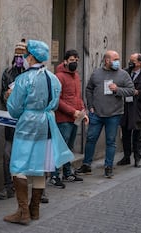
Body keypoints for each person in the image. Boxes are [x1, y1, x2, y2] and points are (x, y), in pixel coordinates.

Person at [4, 40, 74, 225]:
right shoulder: (53, 78)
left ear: (32, 57)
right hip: (47, 124)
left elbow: (14, 108)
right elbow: (55, 103)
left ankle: (23, 212)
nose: (24, 59)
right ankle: (34, 209)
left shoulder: (24, 79)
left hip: (28, 123)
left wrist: (9, 97)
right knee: (40, 167)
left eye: (26, 55)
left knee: (18, 166)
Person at [75, 50, 135, 178]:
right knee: (90, 139)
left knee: (110, 141)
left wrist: (117, 90)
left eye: (118, 59)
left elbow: (131, 90)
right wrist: (90, 106)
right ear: (107, 60)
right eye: (115, 59)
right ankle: (86, 165)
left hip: (114, 114)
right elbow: (89, 89)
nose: (118, 62)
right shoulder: (96, 73)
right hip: (96, 113)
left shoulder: (123, 75)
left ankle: (108, 167)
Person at [49, 50, 88, 189]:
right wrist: (73, 111)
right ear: (65, 61)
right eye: (72, 60)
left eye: (77, 60)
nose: (75, 62)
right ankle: (54, 175)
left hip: (75, 118)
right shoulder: (58, 77)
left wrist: (83, 112)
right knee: (60, 147)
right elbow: (57, 101)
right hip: (63, 119)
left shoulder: (76, 76)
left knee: (69, 148)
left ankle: (67, 173)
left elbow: (77, 97)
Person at [0, 39, 26, 200]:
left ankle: (37, 189)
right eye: (17, 55)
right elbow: (2, 97)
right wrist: (6, 95)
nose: (19, 58)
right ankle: (8, 186)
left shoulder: (32, 75)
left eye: (22, 55)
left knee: (29, 155)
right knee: (8, 154)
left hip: (28, 121)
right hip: (12, 122)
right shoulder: (8, 74)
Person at [117, 53, 141, 168]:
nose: (130, 62)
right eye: (130, 60)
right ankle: (126, 156)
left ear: (139, 63)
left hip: (138, 109)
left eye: (133, 60)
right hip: (126, 108)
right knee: (125, 134)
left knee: (138, 135)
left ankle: (137, 158)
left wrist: (139, 93)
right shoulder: (125, 73)